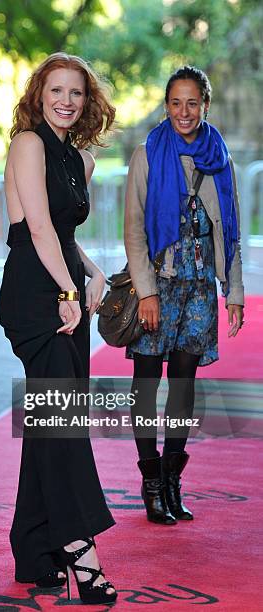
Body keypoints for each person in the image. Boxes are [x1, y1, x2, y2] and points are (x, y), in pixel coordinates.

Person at [0, 53, 117, 604]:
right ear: (39, 95)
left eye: (76, 92)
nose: (66, 101)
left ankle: (35, 549)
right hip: (35, 298)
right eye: (56, 91)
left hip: (68, 293)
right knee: (63, 426)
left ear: (86, 100)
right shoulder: (27, 143)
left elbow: (65, 235)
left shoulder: (79, 159)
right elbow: (37, 228)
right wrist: (68, 291)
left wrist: (90, 273)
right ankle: (78, 550)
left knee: (52, 421)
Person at [124, 66, 244, 525]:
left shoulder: (220, 156)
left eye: (192, 102)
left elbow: (228, 230)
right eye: (175, 102)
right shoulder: (148, 154)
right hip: (159, 282)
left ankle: (173, 481)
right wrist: (146, 292)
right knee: (147, 381)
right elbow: (135, 232)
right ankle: (150, 479)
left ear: (205, 105)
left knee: (184, 385)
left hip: (198, 288)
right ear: (166, 105)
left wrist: (233, 291)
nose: (184, 112)